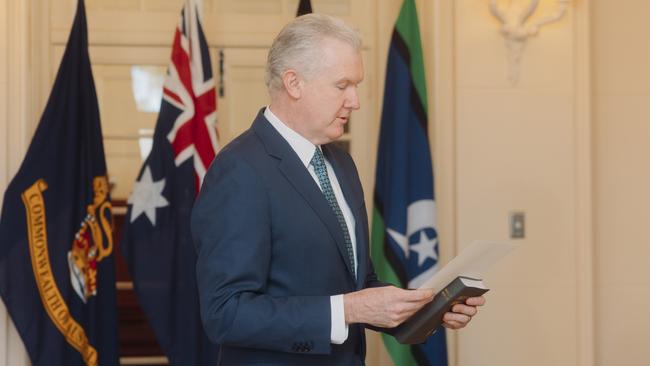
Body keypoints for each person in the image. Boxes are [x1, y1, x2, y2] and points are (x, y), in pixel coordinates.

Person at [191, 13, 485, 366]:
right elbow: (226, 313)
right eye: (342, 85)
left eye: (356, 85)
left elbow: (360, 282)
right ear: (293, 83)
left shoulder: (341, 165)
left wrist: (427, 309)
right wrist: (347, 309)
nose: (355, 101)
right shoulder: (240, 170)